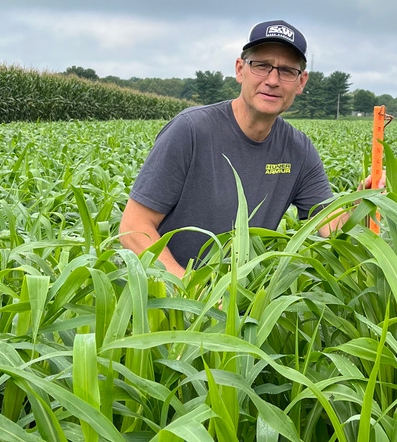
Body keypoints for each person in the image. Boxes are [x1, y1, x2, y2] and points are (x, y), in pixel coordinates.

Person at [119, 19, 383, 279]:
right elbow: (133, 227)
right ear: (239, 69)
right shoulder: (191, 130)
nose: (272, 80)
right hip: (169, 300)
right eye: (261, 65)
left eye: (287, 71)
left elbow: (332, 227)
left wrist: (360, 203)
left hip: (240, 304)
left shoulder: (299, 151)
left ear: (301, 81)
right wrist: (191, 290)